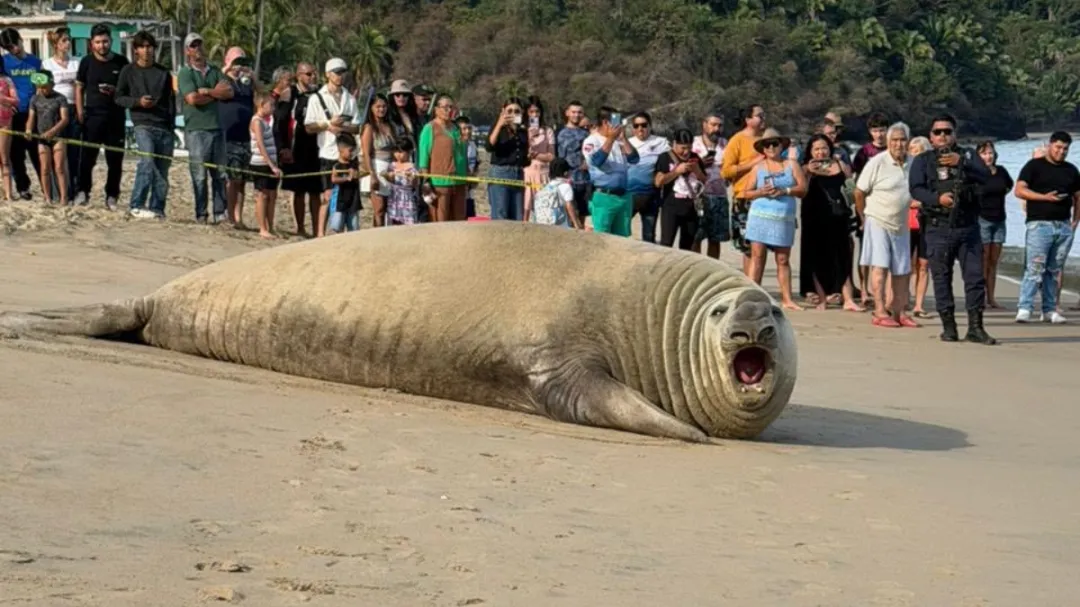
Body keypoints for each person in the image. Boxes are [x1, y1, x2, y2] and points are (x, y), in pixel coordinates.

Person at [908, 114, 995, 344]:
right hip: (938, 227)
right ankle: (949, 327)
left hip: (968, 227)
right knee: (941, 277)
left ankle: (976, 327)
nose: (943, 136)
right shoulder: (923, 160)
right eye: (938, 132)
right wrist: (938, 199)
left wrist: (962, 163)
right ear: (931, 136)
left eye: (947, 131)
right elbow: (916, 189)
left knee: (975, 278)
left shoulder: (967, 155)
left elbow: (987, 178)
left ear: (955, 134)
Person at [1012, 131, 1080, 324]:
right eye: (1058, 147)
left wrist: (1075, 221)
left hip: (1063, 225)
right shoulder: (1034, 166)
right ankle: (1025, 307)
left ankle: (1049, 309)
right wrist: (1044, 197)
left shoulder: (1071, 170)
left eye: (1065, 149)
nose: (1061, 152)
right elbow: (1019, 190)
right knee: (1035, 267)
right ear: (1050, 145)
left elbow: (1078, 196)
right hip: (1039, 224)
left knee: (1054, 269)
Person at [854, 122, 917, 328]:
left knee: (902, 269)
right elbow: (859, 191)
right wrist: (863, 217)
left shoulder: (914, 163)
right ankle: (880, 310)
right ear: (888, 142)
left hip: (901, 222)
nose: (899, 144)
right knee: (879, 266)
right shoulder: (877, 162)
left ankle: (899, 312)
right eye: (895, 140)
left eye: (902, 139)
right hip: (877, 219)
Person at [743, 127, 807, 310]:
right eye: (767, 145)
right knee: (757, 256)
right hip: (760, 218)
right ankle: (753, 295)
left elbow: (803, 189)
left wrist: (785, 190)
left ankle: (787, 298)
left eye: (774, 144)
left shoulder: (791, 165)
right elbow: (746, 193)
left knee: (783, 259)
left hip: (783, 219)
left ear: (781, 146)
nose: (771, 147)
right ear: (763, 149)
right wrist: (761, 192)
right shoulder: (758, 167)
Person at [114, 30, 176, 219]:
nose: (147, 50)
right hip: (142, 123)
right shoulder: (128, 71)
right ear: (136, 50)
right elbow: (119, 98)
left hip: (164, 125)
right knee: (147, 162)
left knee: (162, 170)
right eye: (143, 47)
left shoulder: (163, 72)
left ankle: (157, 208)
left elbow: (170, 101)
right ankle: (137, 204)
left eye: (150, 47)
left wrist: (171, 126)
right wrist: (138, 102)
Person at [176, 32, 232, 224]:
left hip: (217, 127)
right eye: (193, 46)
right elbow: (192, 99)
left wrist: (208, 91)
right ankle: (201, 213)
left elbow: (228, 91)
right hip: (197, 129)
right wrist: (216, 94)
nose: (197, 48)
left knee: (220, 174)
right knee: (199, 176)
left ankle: (220, 212)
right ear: (187, 51)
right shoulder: (185, 72)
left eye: (199, 44)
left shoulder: (215, 70)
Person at [303, 57, 362, 237]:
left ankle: (344, 231)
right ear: (328, 75)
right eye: (336, 73)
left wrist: (342, 126)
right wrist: (329, 124)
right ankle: (321, 233)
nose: (340, 76)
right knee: (327, 196)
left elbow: (357, 125)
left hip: (348, 153)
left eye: (342, 72)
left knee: (348, 195)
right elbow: (309, 126)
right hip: (328, 152)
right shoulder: (316, 98)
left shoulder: (349, 98)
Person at [73, 23, 129, 209]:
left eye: (105, 41)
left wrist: (116, 92)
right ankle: (83, 192)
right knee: (87, 158)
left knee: (115, 160)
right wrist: (80, 111)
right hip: (92, 116)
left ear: (111, 41)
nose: (102, 46)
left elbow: (128, 90)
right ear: (91, 43)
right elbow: (79, 87)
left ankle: (111, 196)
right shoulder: (86, 62)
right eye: (98, 42)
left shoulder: (122, 62)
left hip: (116, 116)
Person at [582, 106, 639, 236]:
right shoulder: (591, 141)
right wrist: (611, 139)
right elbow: (597, 161)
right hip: (604, 197)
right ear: (606, 122)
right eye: (616, 122)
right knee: (602, 238)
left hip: (624, 196)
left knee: (622, 240)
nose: (618, 126)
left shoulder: (620, 141)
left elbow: (634, 159)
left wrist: (623, 139)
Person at [0, 28, 42, 201]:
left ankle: (47, 186)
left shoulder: (35, 62)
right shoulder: (4, 62)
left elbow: (40, 87)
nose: (14, 50)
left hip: (33, 112)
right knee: (16, 155)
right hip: (13, 114)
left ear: (20, 40)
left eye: (14, 45)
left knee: (37, 152)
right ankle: (23, 188)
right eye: (9, 48)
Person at [973, 140, 1013, 310]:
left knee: (993, 261)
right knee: (983, 260)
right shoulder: (976, 174)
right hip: (982, 219)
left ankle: (991, 297)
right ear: (978, 156)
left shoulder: (1002, 171)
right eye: (984, 153)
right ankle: (980, 298)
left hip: (1000, 219)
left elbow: (1009, 186)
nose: (988, 156)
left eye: (990, 153)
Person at [653, 128, 708, 250]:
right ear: (674, 144)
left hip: (691, 208)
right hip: (671, 208)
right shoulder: (664, 157)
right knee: (666, 245)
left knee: (687, 247)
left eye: (689, 147)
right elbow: (658, 182)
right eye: (683, 148)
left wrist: (697, 170)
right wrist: (676, 171)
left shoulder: (695, 158)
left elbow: (705, 180)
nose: (686, 152)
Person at [417, 93, 468, 221]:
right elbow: (423, 157)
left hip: (460, 180)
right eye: (445, 107)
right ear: (436, 109)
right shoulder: (430, 128)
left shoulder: (456, 128)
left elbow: (462, 152)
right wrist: (426, 180)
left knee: (459, 218)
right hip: (440, 182)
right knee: (441, 218)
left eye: (451, 107)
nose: (448, 110)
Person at [26, 70, 68, 205]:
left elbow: (65, 119)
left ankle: (63, 198)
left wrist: (53, 131)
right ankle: (48, 198)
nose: (42, 90)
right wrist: (28, 129)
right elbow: (31, 117)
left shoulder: (60, 98)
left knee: (59, 168)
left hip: (58, 137)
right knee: (44, 169)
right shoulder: (34, 99)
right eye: (39, 87)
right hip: (41, 138)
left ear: (51, 84)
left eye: (44, 86)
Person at [626, 111, 669, 243]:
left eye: (644, 125)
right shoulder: (626, 143)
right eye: (636, 125)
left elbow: (674, 159)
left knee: (649, 236)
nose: (640, 129)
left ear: (650, 126)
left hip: (651, 196)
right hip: (629, 196)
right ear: (632, 128)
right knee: (622, 232)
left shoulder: (661, 142)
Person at [249, 90, 282, 238]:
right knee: (262, 195)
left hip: (270, 162)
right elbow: (260, 145)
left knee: (272, 194)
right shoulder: (256, 121)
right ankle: (262, 228)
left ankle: (270, 226)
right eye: (271, 105)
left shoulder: (265, 121)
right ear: (262, 105)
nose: (273, 109)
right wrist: (271, 165)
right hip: (261, 163)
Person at [527, 157, 581, 228]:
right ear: (565, 173)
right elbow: (569, 205)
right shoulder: (566, 186)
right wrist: (576, 224)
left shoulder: (547, 186)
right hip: (559, 224)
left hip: (542, 222)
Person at [328, 133, 361, 234]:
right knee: (337, 227)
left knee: (354, 227)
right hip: (339, 201)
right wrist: (347, 178)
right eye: (350, 151)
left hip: (353, 201)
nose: (351, 153)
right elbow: (334, 179)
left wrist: (356, 174)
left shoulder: (354, 164)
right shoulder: (336, 165)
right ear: (340, 149)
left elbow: (362, 172)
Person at [383, 136, 420, 226]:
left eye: (401, 152)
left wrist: (411, 178)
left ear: (409, 152)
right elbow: (389, 179)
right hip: (394, 197)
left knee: (408, 223)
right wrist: (388, 176)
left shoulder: (412, 166)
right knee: (394, 221)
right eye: (396, 151)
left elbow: (415, 184)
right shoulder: (392, 165)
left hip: (407, 198)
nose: (398, 154)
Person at [0, 63, 19, 202]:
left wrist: (3, 99)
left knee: (5, 158)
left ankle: (9, 194)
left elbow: (16, 100)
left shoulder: (7, 80)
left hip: (5, 121)